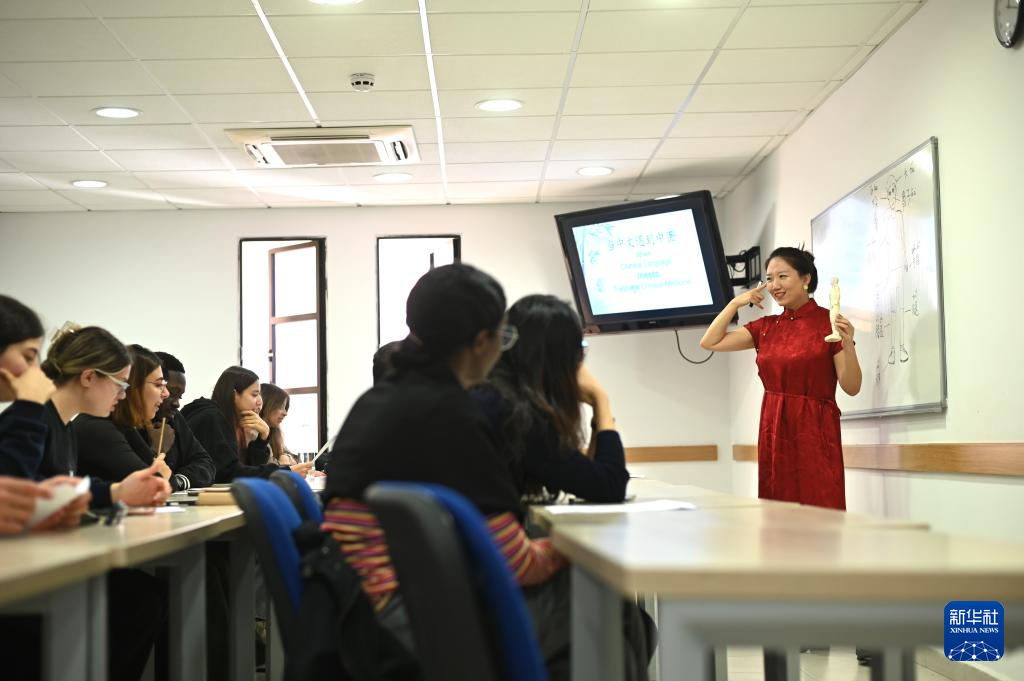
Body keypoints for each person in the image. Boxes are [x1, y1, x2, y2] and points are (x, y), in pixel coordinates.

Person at [322, 264, 653, 681]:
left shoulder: (384, 400)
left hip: (354, 603)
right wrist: (583, 550)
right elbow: (518, 563)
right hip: (402, 618)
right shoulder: (456, 414)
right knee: (610, 606)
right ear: (482, 341)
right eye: (502, 336)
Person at [699, 246, 862, 510]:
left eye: (782, 276)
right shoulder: (766, 327)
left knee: (820, 505)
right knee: (776, 509)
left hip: (815, 430)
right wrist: (735, 303)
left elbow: (852, 386)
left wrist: (848, 345)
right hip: (773, 427)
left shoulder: (829, 323)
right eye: (769, 278)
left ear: (806, 279)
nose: (774, 285)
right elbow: (710, 342)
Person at [472, 294, 629, 502]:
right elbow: (609, 486)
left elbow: (588, 476)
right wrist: (601, 399)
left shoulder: (490, 395)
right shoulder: (520, 418)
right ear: (559, 359)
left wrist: (597, 421)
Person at [0, 295, 90, 530]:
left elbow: (14, 489)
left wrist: (45, 495)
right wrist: (29, 406)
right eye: (29, 357)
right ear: (89, 377)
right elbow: (14, 484)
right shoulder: (30, 414)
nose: (36, 370)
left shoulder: (64, 423)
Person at [74, 345, 216, 492]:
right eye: (159, 385)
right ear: (133, 386)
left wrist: (170, 478)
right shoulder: (98, 427)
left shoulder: (125, 425)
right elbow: (157, 483)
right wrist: (159, 460)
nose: (166, 394)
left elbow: (172, 478)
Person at [182, 366, 312, 482]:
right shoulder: (211, 417)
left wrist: (262, 439)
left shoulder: (237, 423)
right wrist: (285, 472)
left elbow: (249, 470)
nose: (260, 402)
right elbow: (230, 473)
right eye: (254, 395)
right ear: (234, 395)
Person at [259, 383, 297, 465]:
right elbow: (269, 466)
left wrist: (286, 457)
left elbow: (295, 458)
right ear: (266, 404)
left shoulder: (275, 432)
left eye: (285, 408)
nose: (285, 413)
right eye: (281, 407)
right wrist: (284, 463)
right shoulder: (254, 433)